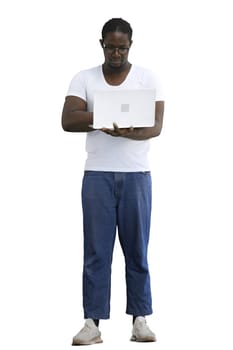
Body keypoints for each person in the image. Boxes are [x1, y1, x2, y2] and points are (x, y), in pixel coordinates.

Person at [62, 18, 165, 345]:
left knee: (137, 250)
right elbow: (67, 119)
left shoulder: (147, 78)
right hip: (97, 176)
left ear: (130, 45)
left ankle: (140, 319)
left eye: (122, 47)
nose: (116, 53)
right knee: (96, 251)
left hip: (137, 175)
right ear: (102, 44)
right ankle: (92, 322)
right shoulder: (85, 78)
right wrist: (102, 116)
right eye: (111, 46)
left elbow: (156, 125)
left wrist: (129, 132)